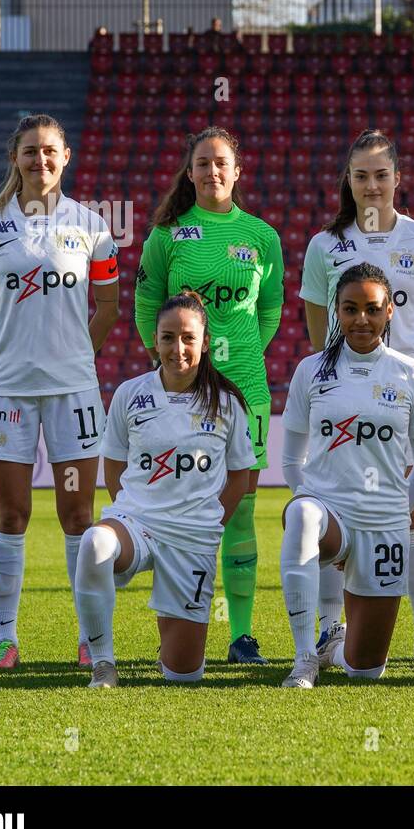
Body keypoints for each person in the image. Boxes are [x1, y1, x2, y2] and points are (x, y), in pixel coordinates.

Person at [0, 113, 119, 670]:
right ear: (16, 159)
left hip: (73, 395)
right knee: (12, 514)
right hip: (7, 395)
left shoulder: (93, 226)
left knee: (78, 514)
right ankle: (6, 640)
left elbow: (110, 304)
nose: (40, 161)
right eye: (30, 152)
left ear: (65, 157)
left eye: (50, 151)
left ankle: (88, 637)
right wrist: (4, 353)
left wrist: (77, 355)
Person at [300, 130, 414, 662]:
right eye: (361, 176)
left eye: (381, 175)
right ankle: (329, 629)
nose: (371, 186)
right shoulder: (325, 245)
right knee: (328, 509)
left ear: (397, 178)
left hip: (403, 398)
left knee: (413, 514)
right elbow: (317, 322)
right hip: (341, 397)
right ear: (349, 181)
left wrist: (413, 371)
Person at [134, 127, 284, 665]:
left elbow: (269, 309)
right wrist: (175, 364)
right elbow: (147, 299)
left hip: (245, 390)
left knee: (240, 512)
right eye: (203, 163)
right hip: (182, 392)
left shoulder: (262, 237)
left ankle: (241, 635)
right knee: (181, 509)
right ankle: (177, 623)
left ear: (237, 171)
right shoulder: (169, 235)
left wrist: (238, 357)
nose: (212, 172)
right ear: (190, 172)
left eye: (222, 163)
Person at [73, 292, 255, 688]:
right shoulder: (129, 394)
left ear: (205, 342)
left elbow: (240, 476)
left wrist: (208, 521)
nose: (178, 348)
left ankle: (171, 647)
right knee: (94, 544)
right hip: (137, 523)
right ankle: (103, 663)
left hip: (193, 536)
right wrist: (132, 507)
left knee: (183, 675)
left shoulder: (227, 403)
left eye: (188, 338)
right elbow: (115, 464)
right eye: (168, 337)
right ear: (154, 340)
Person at [278, 264, 414, 688]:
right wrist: (305, 497)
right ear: (337, 312)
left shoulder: (411, 374)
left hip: (383, 524)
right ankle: (304, 658)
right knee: (301, 517)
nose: (361, 319)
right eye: (350, 309)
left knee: (365, 670)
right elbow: (292, 460)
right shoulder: (310, 371)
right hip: (327, 511)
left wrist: (399, 512)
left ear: (390, 312)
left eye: (372, 309)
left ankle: (339, 645)